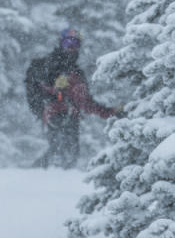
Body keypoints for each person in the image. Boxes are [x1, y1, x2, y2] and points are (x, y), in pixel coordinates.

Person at [25, 27, 123, 169]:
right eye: (68, 43)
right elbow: (37, 82)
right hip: (53, 114)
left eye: (75, 44)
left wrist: (110, 112)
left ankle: (50, 176)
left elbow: (86, 103)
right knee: (58, 149)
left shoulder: (77, 73)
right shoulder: (47, 64)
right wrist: (53, 88)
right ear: (61, 43)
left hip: (71, 117)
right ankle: (40, 175)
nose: (71, 48)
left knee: (71, 152)